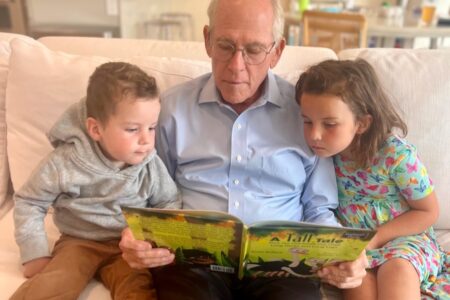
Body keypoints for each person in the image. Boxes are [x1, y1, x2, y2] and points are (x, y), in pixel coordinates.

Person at [119, 1, 368, 299]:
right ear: (208, 40)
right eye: (225, 45)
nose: (236, 66)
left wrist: (343, 252)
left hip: (282, 265)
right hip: (192, 262)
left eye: (253, 50)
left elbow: (317, 208)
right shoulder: (171, 109)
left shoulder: (307, 113)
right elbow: (149, 195)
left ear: (276, 52)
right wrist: (136, 238)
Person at [12, 62, 180, 300]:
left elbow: (169, 201)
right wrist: (34, 253)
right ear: (96, 129)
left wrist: (148, 235)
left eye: (151, 127)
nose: (146, 140)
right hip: (78, 242)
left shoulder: (150, 164)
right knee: (51, 286)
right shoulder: (65, 162)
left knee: (138, 291)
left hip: (128, 248)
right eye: (132, 129)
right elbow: (29, 201)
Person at [295, 59, 449, 300]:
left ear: (362, 123)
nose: (314, 135)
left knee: (397, 271)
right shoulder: (320, 157)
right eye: (307, 122)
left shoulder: (395, 155)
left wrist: (374, 239)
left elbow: (429, 211)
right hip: (356, 250)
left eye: (330, 124)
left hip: (405, 241)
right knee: (357, 285)